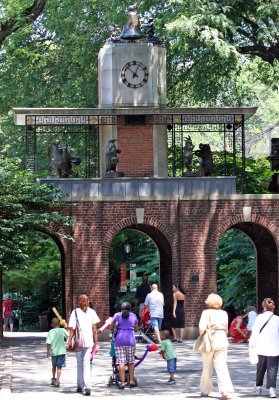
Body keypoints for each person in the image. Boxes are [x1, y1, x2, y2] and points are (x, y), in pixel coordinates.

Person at [199, 293, 234, 400]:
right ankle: (225, 391)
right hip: (222, 339)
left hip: (210, 340)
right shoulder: (224, 313)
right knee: (222, 366)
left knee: (207, 367)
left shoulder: (206, 312)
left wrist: (203, 335)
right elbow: (226, 329)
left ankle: (205, 390)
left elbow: (201, 329)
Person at [68, 294, 100, 396]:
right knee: (87, 364)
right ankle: (87, 387)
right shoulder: (92, 312)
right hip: (89, 342)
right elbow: (94, 330)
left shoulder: (75, 312)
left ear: (78, 302)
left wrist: (69, 340)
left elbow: (72, 329)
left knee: (79, 363)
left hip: (78, 342)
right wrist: (96, 343)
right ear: (88, 301)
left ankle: (80, 386)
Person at [249, 298, 279, 398]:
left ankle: (258, 387)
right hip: (274, 348)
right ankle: (272, 390)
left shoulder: (259, 318)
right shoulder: (277, 319)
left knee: (260, 368)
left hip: (261, 347)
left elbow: (255, 332)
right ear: (273, 307)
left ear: (263, 307)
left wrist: (251, 345)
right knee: (273, 369)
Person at [110, 302, 139, 389]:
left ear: (121, 309)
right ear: (130, 309)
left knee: (121, 362)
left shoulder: (117, 315)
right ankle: (131, 381)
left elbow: (111, 327)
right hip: (130, 341)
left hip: (119, 341)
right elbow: (136, 329)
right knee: (130, 361)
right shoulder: (133, 316)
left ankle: (122, 383)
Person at [46, 317, 69, 388]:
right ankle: (58, 380)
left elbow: (48, 343)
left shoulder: (51, 332)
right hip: (62, 351)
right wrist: (66, 327)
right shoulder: (62, 330)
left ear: (52, 325)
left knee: (54, 366)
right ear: (59, 324)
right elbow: (69, 336)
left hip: (54, 352)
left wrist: (48, 351)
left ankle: (53, 378)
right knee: (59, 367)